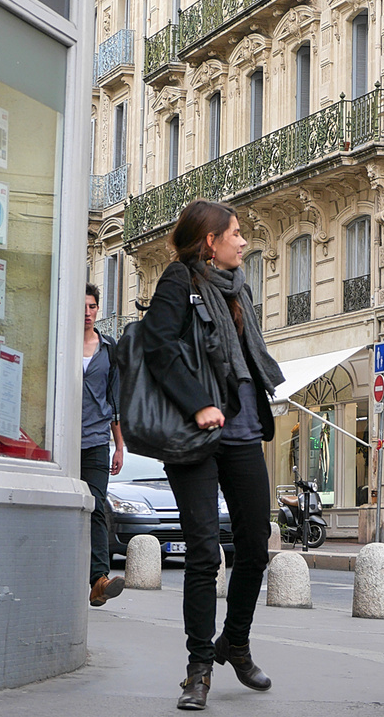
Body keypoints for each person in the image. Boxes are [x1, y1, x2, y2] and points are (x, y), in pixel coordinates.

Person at [141, 199, 284, 710]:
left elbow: (245, 357)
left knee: (255, 546)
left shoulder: (238, 288)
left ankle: (235, 643)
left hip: (243, 431)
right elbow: (158, 347)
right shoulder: (179, 282)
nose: (243, 241)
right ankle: (198, 667)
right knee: (204, 553)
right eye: (236, 233)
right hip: (195, 438)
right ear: (211, 241)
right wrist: (199, 402)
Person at [82, 282, 125, 607]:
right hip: (62, 442)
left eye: (92, 306)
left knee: (97, 507)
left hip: (96, 440)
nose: (87, 312)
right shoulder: (61, 343)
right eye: (82, 306)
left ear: (98, 309)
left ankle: (99, 580)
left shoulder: (108, 349)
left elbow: (114, 401)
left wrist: (119, 446)